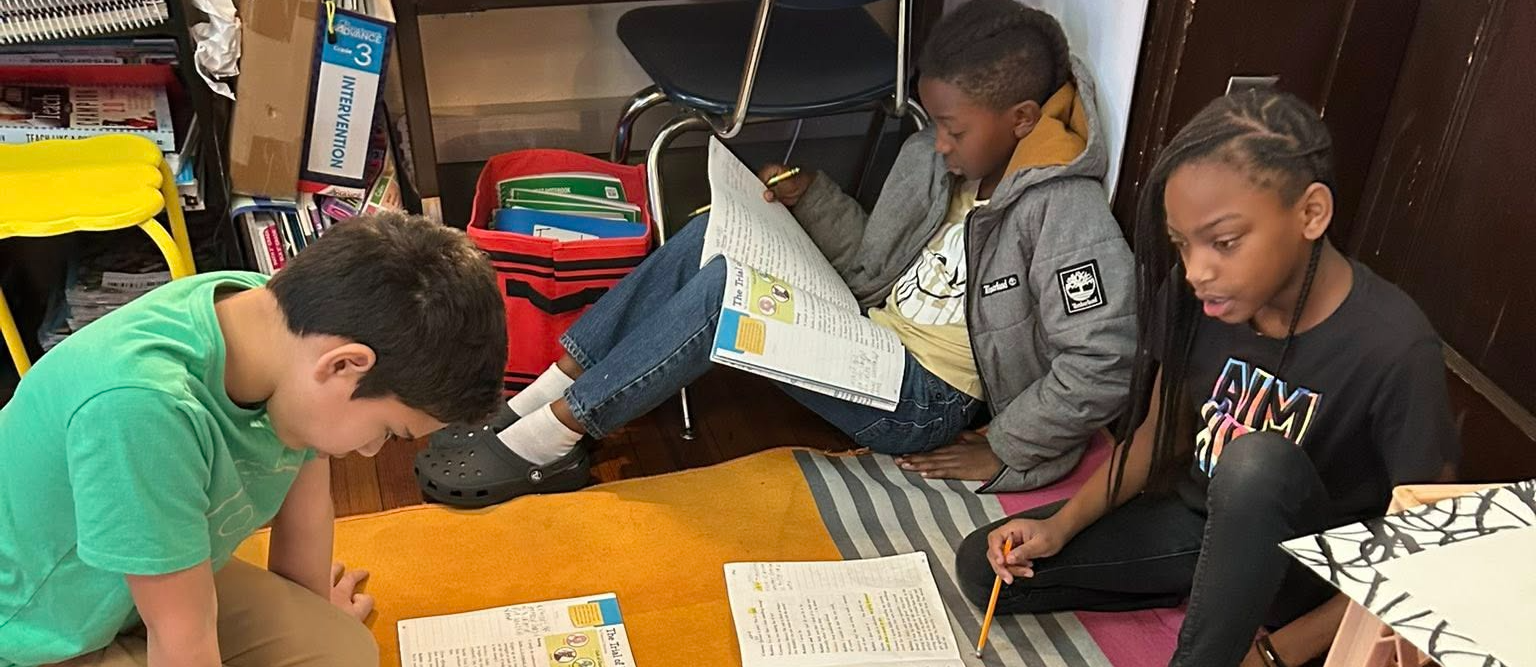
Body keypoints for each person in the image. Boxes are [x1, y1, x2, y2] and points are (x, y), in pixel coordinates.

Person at [418, 0, 1134, 505]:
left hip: (925, 401)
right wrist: (813, 198)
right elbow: (876, 262)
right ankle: (538, 398)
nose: (938, 143)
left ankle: (548, 444)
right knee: (707, 238)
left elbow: (1104, 363)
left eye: (954, 130)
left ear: (1023, 119)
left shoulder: (1064, 214)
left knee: (726, 301)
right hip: (869, 337)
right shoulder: (942, 158)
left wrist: (1005, 443)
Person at [954, 90, 1459, 666]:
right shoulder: (1196, 298)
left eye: (1224, 242)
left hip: (1313, 573)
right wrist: (1062, 527)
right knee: (987, 568)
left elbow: (1421, 550)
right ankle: (1214, 599)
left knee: (1257, 463)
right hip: (1202, 530)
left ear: (1311, 214)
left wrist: (1274, 656)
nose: (1197, 271)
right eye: (1181, 244)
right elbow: (1153, 436)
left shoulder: (1394, 345)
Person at [0, 213, 508, 666]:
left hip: (141, 588)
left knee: (343, 649)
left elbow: (307, 516)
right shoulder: (142, 407)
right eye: (389, 431)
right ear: (344, 365)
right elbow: (182, 641)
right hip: (33, 634)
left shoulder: (289, 327)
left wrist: (314, 620)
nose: (371, 450)